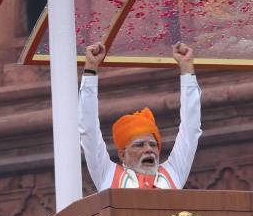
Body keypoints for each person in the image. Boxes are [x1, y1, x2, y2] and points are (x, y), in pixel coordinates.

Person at [78, 42, 201, 190]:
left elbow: (190, 130)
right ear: (123, 155)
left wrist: (187, 68)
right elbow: (88, 130)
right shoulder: (107, 174)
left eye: (153, 144)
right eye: (139, 145)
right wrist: (91, 69)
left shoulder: (172, 172)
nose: (149, 149)